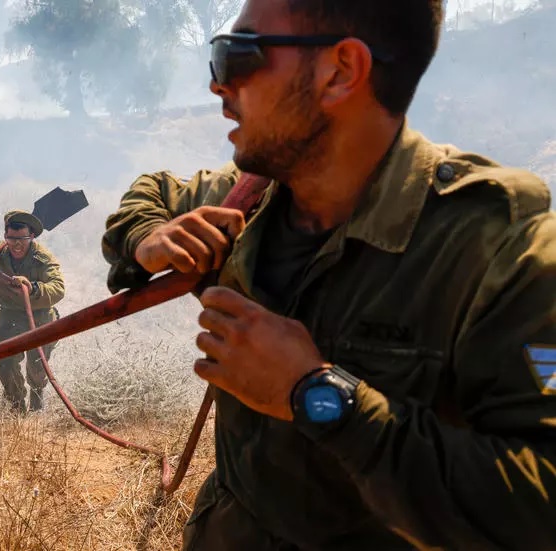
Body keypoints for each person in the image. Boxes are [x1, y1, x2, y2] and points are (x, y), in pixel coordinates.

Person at [101, 0, 556, 549]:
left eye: (239, 56)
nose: (219, 87)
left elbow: (540, 503)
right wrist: (146, 237)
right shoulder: (251, 194)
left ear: (340, 71)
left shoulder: (505, 252)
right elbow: (151, 192)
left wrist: (315, 393)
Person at [0, 210, 66, 414]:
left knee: (37, 366)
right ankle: (17, 409)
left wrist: (33, 287)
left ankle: (37, 399)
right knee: (6, 363)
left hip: (41, 317)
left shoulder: (43, 258)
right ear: (5, 236)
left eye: (22, 239)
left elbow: (58, 288)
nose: (16, 244)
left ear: (31, 236)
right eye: (11, 239)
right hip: (11, 315)